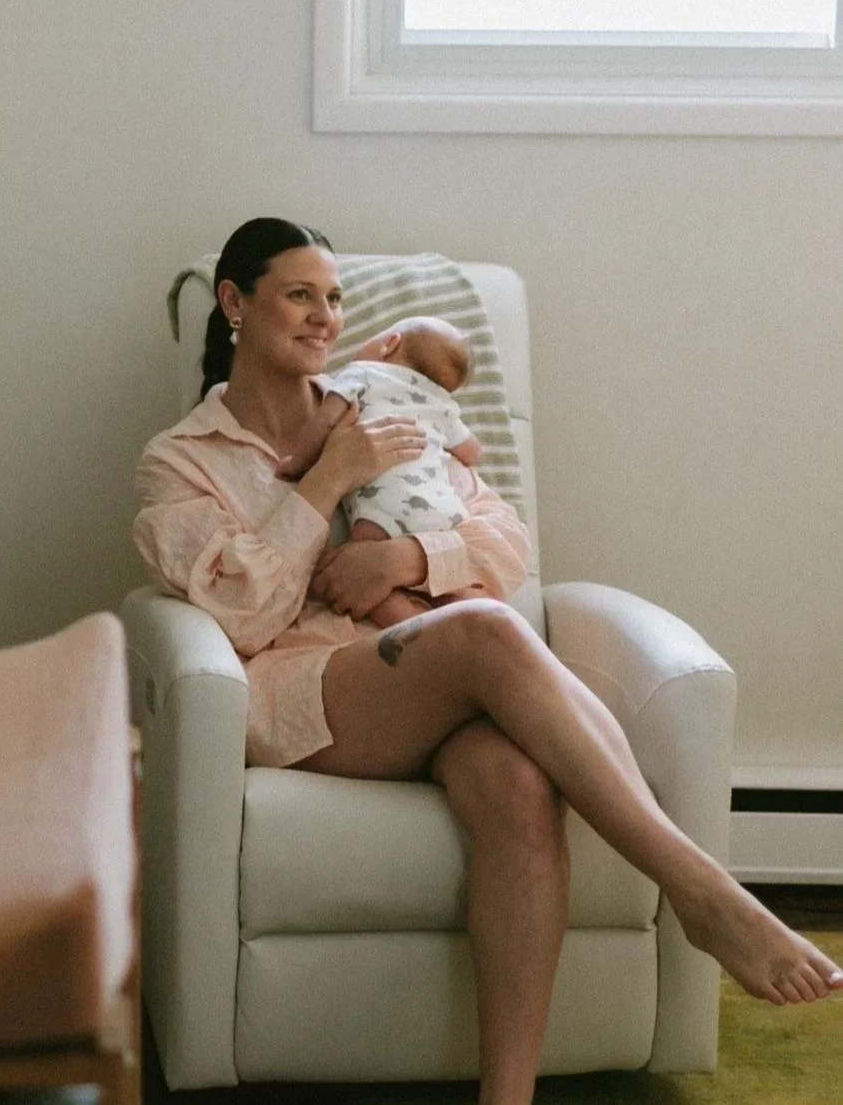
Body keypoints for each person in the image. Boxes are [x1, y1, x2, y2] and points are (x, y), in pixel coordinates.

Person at [133, 217, 843, 1105]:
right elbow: (237, 612)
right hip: (307, 691)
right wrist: (323, 484)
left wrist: (406, 559)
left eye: (335, 296)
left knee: (517, 785)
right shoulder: (182, 461)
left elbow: (503, 540)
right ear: (236, 303)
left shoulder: (384, 404)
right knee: (490, 633)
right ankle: (703, 891)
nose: (325, 315)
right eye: (300, 294)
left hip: (436, 681)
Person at [276, 314, 485, 626]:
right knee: (451, 586)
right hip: (444, 510)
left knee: (362, 575)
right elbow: (472, 452)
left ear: (389, 344)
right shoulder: (441, 403)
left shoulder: (361, 374)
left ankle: (411, 628)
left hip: (386, 506)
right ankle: (466, 618)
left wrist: (296, 462)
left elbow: (325, 422)